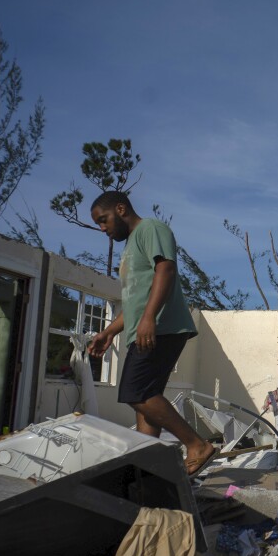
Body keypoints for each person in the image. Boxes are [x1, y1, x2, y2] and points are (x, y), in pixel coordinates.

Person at [87, 191, 217, 477]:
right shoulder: (131, 246)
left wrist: (149, 319)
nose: (102, 228)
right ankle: (147, 467)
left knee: (137, 392)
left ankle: (196, 445)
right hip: (145, 329)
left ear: (121, 209)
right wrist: (109, 331)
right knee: (147, 402)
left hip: (162, 327)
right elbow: (136, 300)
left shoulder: (152, 229)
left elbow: (166, 269)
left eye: (103, 220)